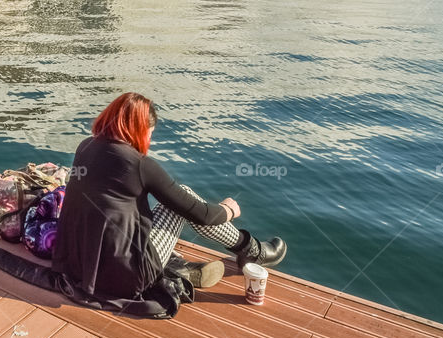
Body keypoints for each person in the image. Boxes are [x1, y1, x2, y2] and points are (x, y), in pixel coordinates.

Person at [52, 92, 286, 303]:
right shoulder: (139, 165)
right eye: (149, 133)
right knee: (182, 196)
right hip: (126, 278)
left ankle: (180, 265)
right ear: (138, 130)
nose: (149, 141)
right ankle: (252, 250)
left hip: (78, 266)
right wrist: (228, 210)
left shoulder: (84, 147)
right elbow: (200, 214)